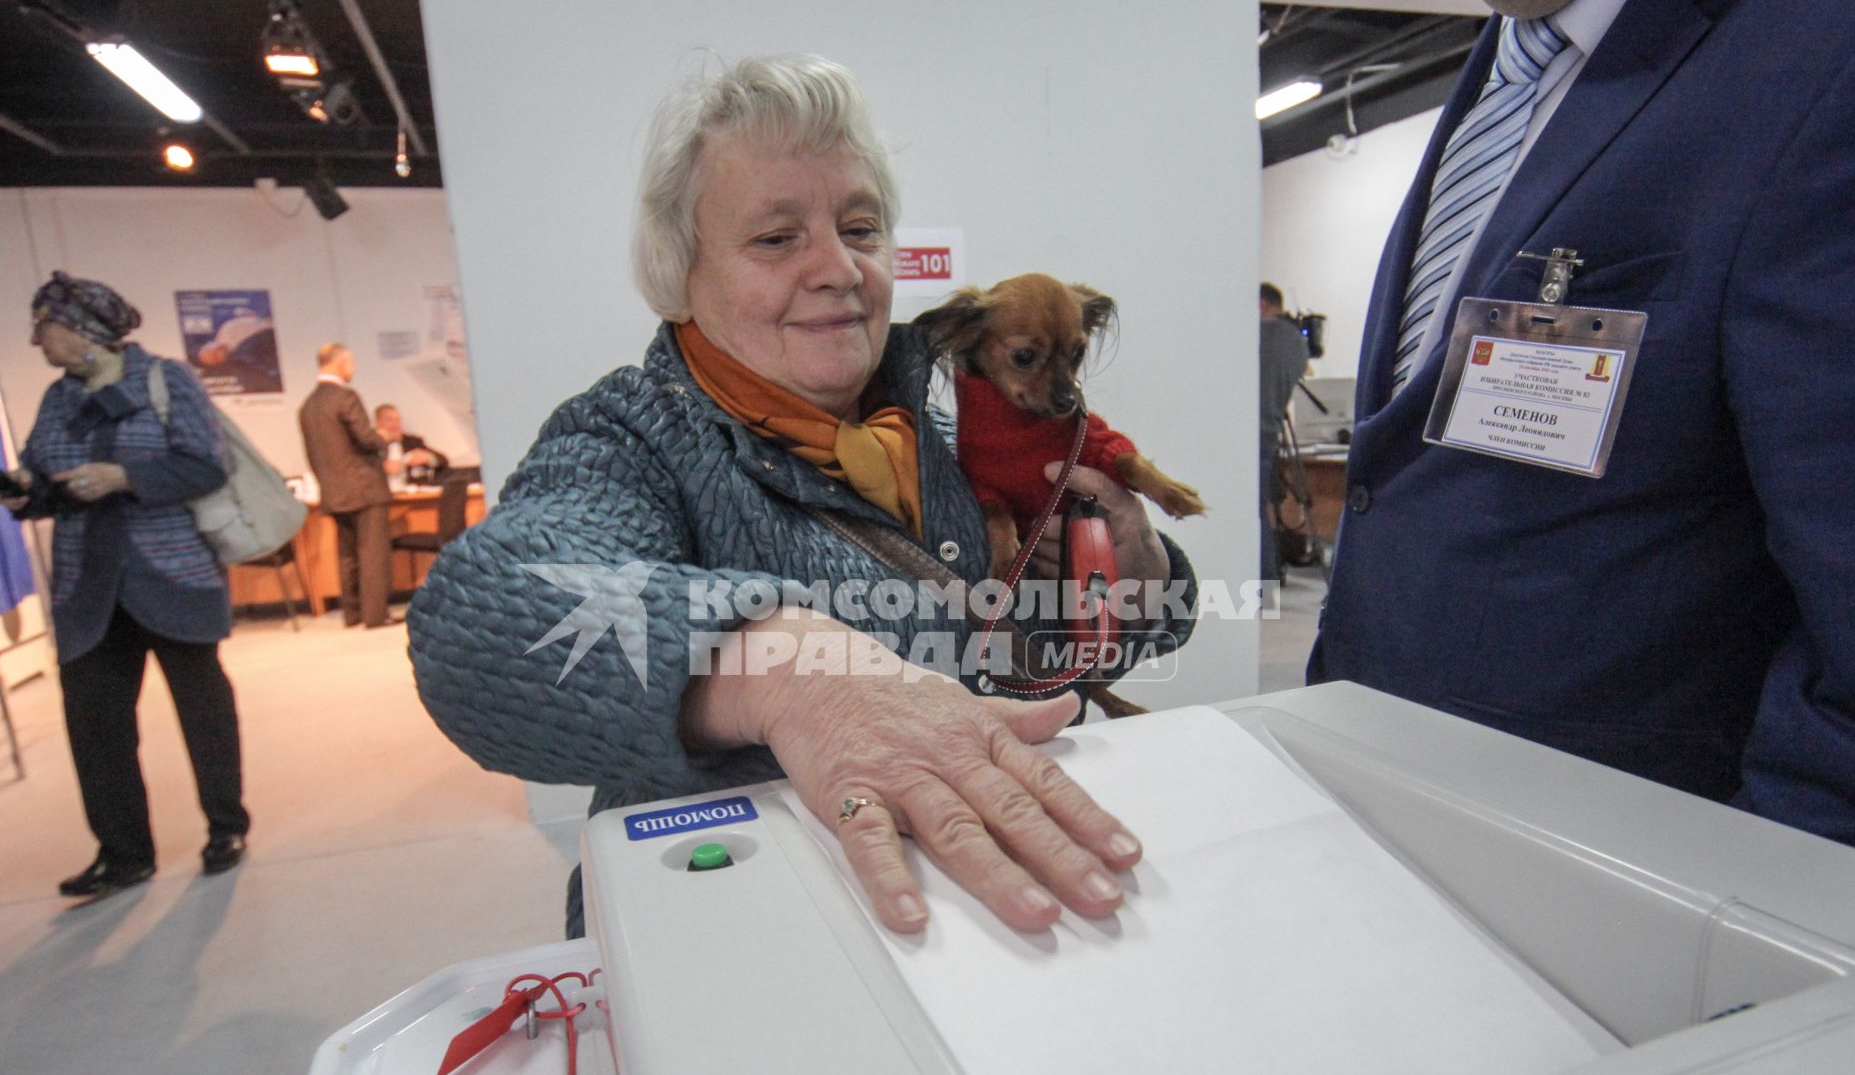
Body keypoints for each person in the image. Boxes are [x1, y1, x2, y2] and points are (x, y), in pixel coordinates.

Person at [409, 55, 1199, 938]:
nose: (838, 269)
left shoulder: (937, 437)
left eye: (859, 229)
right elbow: (480, 628)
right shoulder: (632, 437)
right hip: (744, 927)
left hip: (975, 918)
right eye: (777, 238)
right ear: (680, 269)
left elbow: (1033, 662)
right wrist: (788, 674)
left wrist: (1132, 578)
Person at [1309, 0, 1855, 843]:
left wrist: (1777, 899)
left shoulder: (1814, 54)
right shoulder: (1508, 62)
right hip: (1390, 800)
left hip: (1634, 861)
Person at [0, 271, 249, 897]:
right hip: (88, 587)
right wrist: (27, 492)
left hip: (171, 576)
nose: (38, 341)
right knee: (96, 725)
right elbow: (41, 468)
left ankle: (226, 827)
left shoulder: (165, 380)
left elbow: (203, 464)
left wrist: (123, 477)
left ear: (84, 330)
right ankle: (123, 852)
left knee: (204, 712)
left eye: (44, 326)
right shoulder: (58, 399)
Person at [298, 343, 393, 628]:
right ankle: (375, 615)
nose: (352, 368)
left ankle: (352, 613)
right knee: (372, 553)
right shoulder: (345, 397)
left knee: (347, 553)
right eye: (350, 362)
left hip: (334, 490)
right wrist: (383, 437)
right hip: (363, 487)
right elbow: (365, 438)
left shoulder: (308, 406)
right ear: (338, 363)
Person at [1258, 282, 1309, 581]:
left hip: (1250, 434)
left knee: (1251, 513)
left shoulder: (1264, 336)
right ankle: (1266, 583)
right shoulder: (1297, 341)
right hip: (1270, 432)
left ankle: (1261, 585)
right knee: (1261, 510)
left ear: (1262, 306)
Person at [373, 403, 449, 488]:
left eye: (398, 420)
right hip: (379, 494)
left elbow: (443, 460)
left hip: (411, 493)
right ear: (378, 422)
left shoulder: (412, 442)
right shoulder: (369, 443)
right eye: (390, 420)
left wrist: (427, 457)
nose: (395, 425)